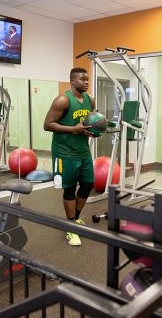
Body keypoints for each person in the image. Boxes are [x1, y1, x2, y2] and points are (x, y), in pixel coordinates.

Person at [43, 67, 95, 246]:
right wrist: (74, 129)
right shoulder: (63, 100)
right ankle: (70, 226)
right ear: (72, 81)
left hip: (83, 150)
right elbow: (48, 125)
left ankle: (76, 218)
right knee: (70, 188)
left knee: (88, 184)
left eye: (87, 79)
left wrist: (92, 131)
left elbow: (87, 123)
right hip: (65, 152)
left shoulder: (90, 100)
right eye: (82, 79)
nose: (86, 82)